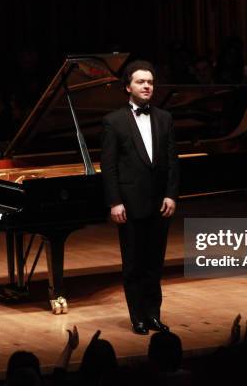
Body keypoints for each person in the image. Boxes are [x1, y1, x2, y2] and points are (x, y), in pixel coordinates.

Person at [100, 60, 179, 335]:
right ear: (128, 87)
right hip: (129, 205)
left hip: (159, 203)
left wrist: (171, 194)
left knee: (154, 264)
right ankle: (138, 318)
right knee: (133, 264)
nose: (147, 86)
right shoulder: (114, 121)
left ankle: (154, 315)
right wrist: (114, 201)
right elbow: (108, 166)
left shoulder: (164, 118)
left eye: (150, 82)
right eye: (141, 82)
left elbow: (172, 161)